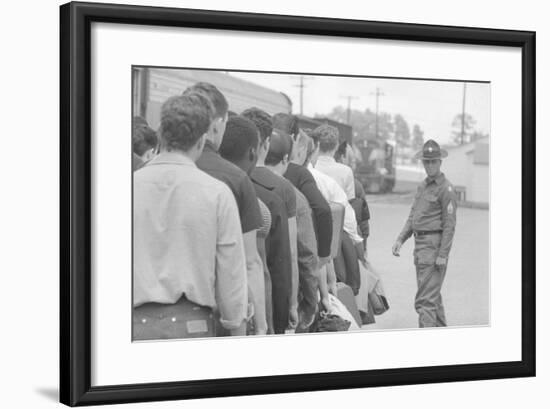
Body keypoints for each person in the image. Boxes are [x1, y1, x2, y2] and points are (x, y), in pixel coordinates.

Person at [133, 94, 247, 339]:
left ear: (161, 134)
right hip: (193, 327)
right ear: (202, 139)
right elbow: (231, 277)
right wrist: (236, 327)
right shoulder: (217, 194)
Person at [183, 83, 266, 335]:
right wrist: (260, 325)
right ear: (218, 123)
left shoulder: (141, 174)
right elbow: (249, 262)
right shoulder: (236, 180)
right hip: (215, 317)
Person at [225, 109, 292, 334]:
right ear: (256, 149)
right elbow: (267, 263)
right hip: (240, 311)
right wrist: (270, 323)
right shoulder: (269, 200)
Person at [392, 139, 458, 328]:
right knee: (432, 299)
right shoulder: (423, 186)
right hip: (421, 249)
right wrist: (400, 239)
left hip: (434, 250)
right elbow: (414, 216)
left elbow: (450, 225)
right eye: (426, 162)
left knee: (425, 302)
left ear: (440, 162)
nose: (429, 165)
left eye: (433, 161)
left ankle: (427, 348)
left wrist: (443, 255)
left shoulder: (447, 189)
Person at [274, 113, 333, 270]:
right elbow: (323, 209)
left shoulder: (252, 169)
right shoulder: (299, 173)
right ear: (293, 138)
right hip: (294, 254)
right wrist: (324, 255)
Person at [314, 124, 355, 200]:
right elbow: (351, 202)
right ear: (336, 146)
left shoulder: (308, 169)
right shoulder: (346, 171)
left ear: (316, 145)